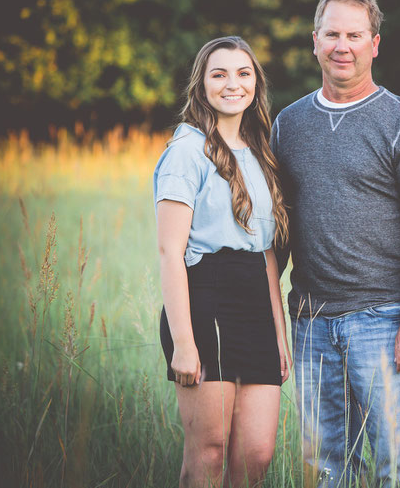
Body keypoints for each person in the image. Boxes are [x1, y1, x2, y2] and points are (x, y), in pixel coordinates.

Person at [271, 0, 400, 487]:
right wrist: (274, 318)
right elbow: (278, 229)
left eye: (354, 34)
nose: (342, 45)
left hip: (384, 320)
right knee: (325, 467)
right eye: (332, 34)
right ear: (315, 41)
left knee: (395, 466)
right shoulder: (289, 124)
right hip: (310, 321)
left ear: (375, 44)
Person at [155, 36, 291, 488]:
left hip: (254, 302)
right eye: (219, 74)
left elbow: (267, 252)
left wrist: (279, 333)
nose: (232, 84)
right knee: (209, 453)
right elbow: (169, 252)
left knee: (256, 454)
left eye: (243, 73)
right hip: (204, 302)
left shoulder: (261, 151)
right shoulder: (186, 151)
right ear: (202, 85)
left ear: (256, 83)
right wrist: (184, 342)